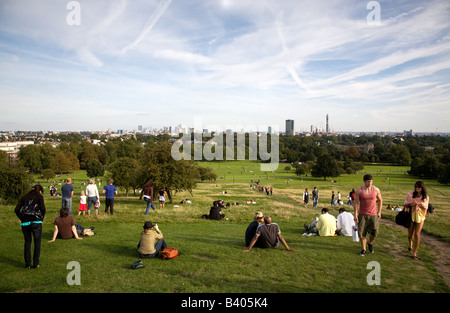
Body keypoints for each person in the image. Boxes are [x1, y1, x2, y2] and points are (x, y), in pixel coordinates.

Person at [14, 185, 46, 269]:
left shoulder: (24, 197)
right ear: (40, 191)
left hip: (25, 222)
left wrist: (21, 218)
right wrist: (41, 218)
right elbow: (43, 209)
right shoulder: (39, 197)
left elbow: (16, 209)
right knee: (37, 243)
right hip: (36, 222)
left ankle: (27, 264)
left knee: (27, 242)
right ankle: (36, 263)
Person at [353, 174, 382, 256]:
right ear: (364, 181)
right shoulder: (359, 191)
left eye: (371, 182)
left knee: (375, 232)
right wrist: (355, 214)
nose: (370, 183)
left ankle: (370, 243)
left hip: (373, 214)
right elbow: (356, 203)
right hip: (362, 214)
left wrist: (379, 212)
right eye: (368, 182)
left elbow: (380, 200)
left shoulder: (376, 190)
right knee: (362, 232)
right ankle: (363, 249)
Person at [404, 181, 430, 260]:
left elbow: (426, 207)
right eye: (415, 187)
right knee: (410, 233)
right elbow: (405, 204)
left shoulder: (425, 197)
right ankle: (410, 243)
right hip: (411, 215)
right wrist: (411, 204)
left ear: (422, 188)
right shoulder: (410, 194)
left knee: (417, 233)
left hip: (420, 216)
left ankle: (415, 252)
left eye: (418, 187)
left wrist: (421, 205)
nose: (417, 188)